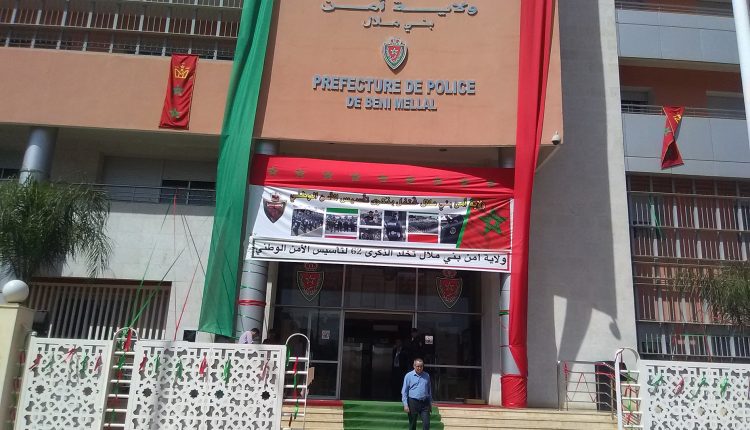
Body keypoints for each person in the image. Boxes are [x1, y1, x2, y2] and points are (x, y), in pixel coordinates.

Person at [401, 358, 432, 430]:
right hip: (413, 402)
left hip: (424, 403)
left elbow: (429, 390)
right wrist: (405, 405)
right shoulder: (408, 376)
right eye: (418, 366)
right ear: (414, 366)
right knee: (412, 424)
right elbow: (404, 391)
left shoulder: (426, 375)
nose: (419, 368)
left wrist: (430, 403)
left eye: (421, 366)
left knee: (426, 424)